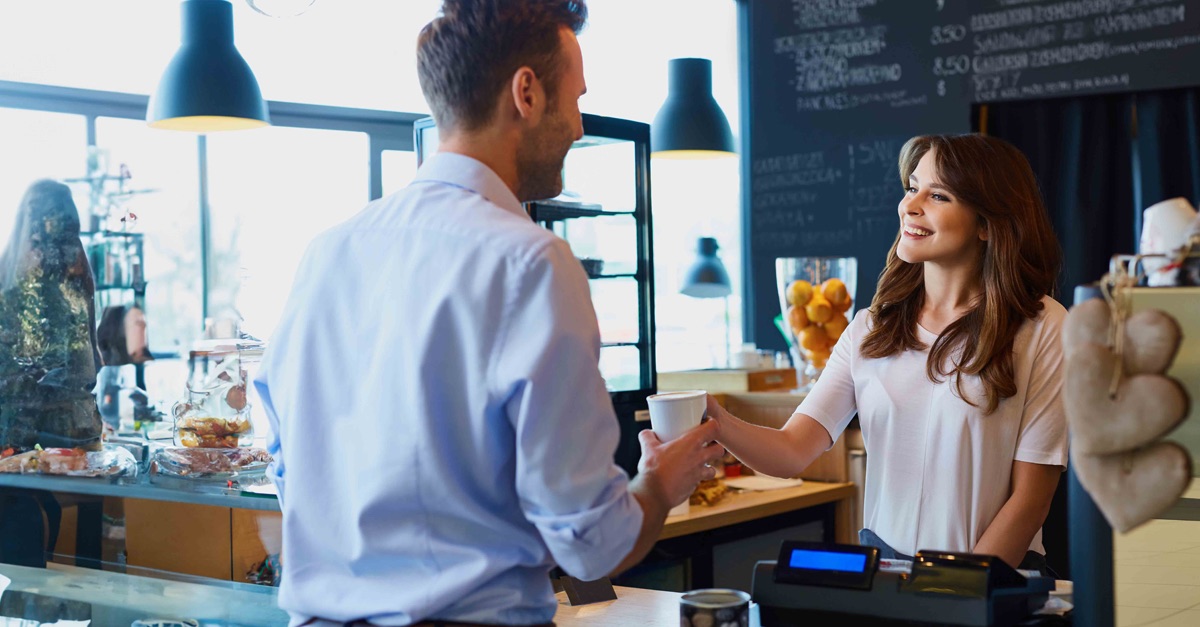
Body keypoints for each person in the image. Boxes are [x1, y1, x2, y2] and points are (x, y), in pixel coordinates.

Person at [253, 1, 722, 625]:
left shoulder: (326, 253)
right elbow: (591, 546)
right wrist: (661, 483)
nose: (580, 126)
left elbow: (287, 464)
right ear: (526, 93)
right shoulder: (530, 263)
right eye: (575, 98)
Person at [710, 134, 1066, 570]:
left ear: (987, 223)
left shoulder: (1043, 326)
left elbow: (1032, 497)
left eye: (937, 195)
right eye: (911, 187)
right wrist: (718, 422)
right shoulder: (869, 329)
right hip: (885, 575)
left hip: (995, 576)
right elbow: (791, 451)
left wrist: (960, 591)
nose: (910, 206)